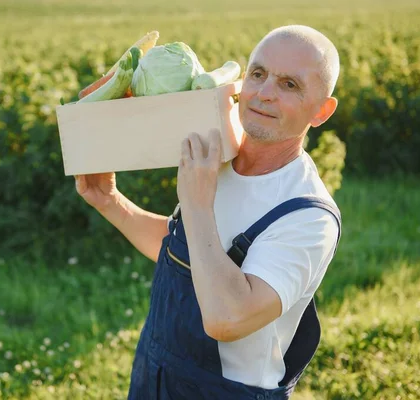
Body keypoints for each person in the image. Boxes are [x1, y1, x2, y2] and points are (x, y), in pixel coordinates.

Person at [74, 25, 342, 399]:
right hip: (155, 375)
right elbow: (185, 252)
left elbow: (227, 318)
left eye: (290, 85)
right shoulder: (220, 156)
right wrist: (110, 200)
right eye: (258, 74)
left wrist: (198, 203)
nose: (264, 94)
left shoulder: (307, 217)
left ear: (322, 111)